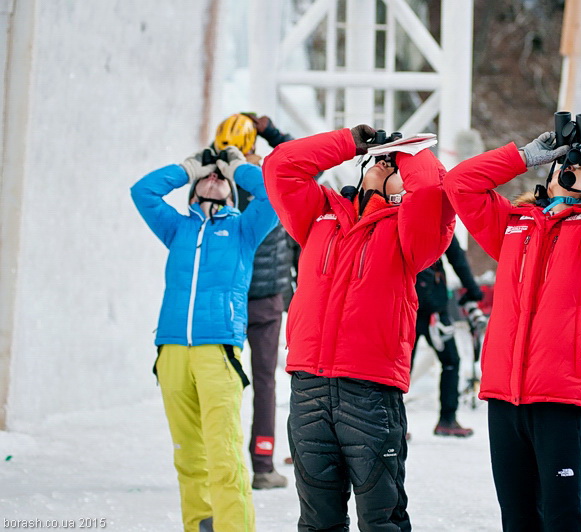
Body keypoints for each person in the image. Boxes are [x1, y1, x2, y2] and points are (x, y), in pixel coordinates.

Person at [444, 129, 581, 531]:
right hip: (505, 399)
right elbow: (460, 183)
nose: (572, 169)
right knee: (517, 521)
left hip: (563, 401)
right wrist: (523, 156)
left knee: (565, 520)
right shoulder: (514, 225)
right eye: (565, 165)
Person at [262, 125, 455, 531]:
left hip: (369, 391)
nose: (387, 162)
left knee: (380, 521)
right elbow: (281, 166)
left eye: (394, 163)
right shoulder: (320, 213)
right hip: (309, 387)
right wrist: (351, 141)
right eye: (380, 158)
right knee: (317, 522)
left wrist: (410, 150)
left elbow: (434, 196)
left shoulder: (410, 232)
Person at [131, 142, 278, 532]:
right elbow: (142, 191)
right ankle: (199, 525)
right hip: (172, 351)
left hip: (218, 350)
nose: (213, 179)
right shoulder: (177, 228)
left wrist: (236, 167)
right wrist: (187, 167)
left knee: (224, 453)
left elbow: (273, 194)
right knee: (188, 455)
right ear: (193, 190)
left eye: (220, 178)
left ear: (231, 189)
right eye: (206, 177)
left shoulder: (244, 229)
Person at [213, 113, 295, 490]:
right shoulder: (272, 179)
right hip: (267, 300)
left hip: (228, 298)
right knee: (265, 383)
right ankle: (262, 465)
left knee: (223, 382)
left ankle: (220, 463)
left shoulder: (213, 183)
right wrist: (272, 132)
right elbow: (303, 160)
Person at [412, 234, 484, 437]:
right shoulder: (440, 226)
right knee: (451, 361)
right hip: (433, 307)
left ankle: (393, 423)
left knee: (401, 365)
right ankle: (447, 420)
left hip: (407, 304)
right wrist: (473, 291)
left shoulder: (402, 214)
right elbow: (457, 259)